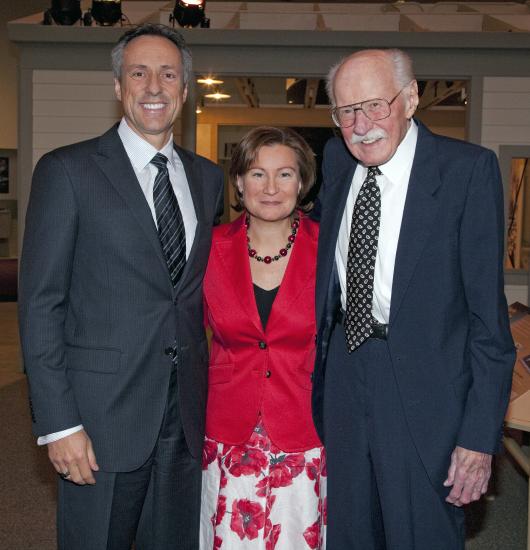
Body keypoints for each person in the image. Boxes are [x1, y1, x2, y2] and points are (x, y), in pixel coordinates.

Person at [18, 23, 223, 550]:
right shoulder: (67, 170)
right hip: (100, 420)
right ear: (118, 86)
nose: (153, 86)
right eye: (139, 72)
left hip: (185, 418)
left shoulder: (207, 179)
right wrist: (59, 424)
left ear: (184, 88)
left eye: (168, 74)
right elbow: (41, 304)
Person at [311, 48, 515, 549]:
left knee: (420, 534)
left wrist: (477, 437)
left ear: (411, 98)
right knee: (349, 533)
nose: (361, 126)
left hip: (426, 395)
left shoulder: (466, 172)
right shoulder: (336, 162)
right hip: (344, 377)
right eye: (346, 112)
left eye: (375, 105)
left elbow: (488, 322)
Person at [200, 126, 326, 550]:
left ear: (303, 182)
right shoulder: (208, 248)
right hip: (226, 433)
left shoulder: (330, 249)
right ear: (238, 181)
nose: (271, 187)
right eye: (257, 174)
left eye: (285, 174)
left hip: (304, 430)